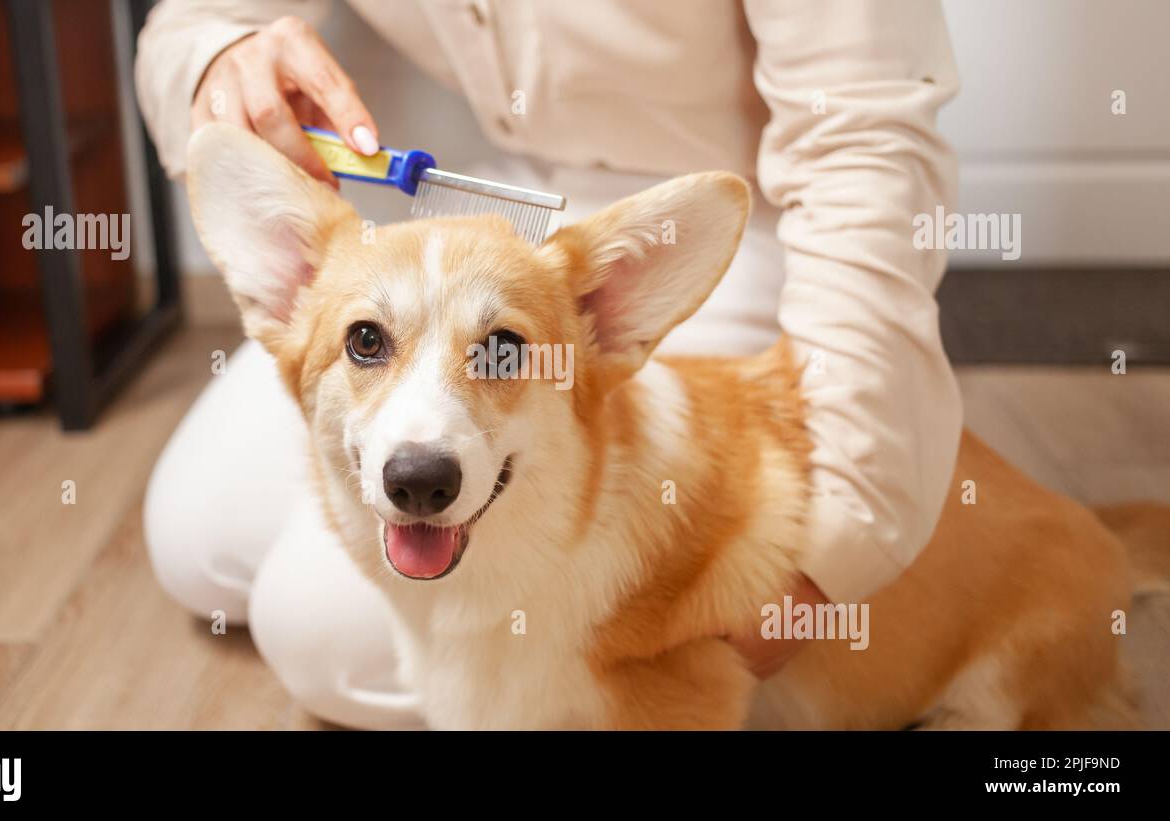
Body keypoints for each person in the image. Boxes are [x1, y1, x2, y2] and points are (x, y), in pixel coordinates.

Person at [135, 0, 963, 728]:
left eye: (499, 356)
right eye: (364, 344)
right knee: (192, 542)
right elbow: (185, 26)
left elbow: (865, 138)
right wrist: (217, 60)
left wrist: (839, 540)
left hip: (729, 212)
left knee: (311, 632)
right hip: (481, 202)